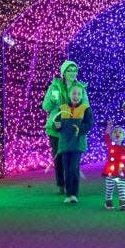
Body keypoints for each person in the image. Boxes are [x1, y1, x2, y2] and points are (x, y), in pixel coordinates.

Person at [42, 61, 88, 194]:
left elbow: (86, 106)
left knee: (71, 158)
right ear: (63, 73)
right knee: (59, 158)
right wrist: (51, 101)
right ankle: (61, 184)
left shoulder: (80, 88)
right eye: (69, 70)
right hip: (56, 128)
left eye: (74, 70)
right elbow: (45, 107)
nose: (72, 72)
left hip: (72, 128)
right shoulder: (54, 87)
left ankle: (71, 185)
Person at [53, 86, 93, 203]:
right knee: (66, 169)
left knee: (74, 168)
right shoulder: (62, 108)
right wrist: (57, 126)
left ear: (82, 96)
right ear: (69, 95)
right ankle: (68, 194)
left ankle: (73, 194)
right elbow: (56, 124)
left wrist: (80, 129)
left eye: (78, 94)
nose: (76, 96)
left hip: (77, 144)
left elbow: (89, 124)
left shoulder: (85, 109)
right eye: (74, 94)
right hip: (65, 145)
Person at [101, 120, 125, 211]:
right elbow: (106, 137)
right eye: (115, 132)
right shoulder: (110, 145)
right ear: (112, 136)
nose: (117, 133)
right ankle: (108, 201)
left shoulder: (124, 148)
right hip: (110, 171)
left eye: (120, 132)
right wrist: (109, 127)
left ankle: (123, 203)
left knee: (122, 187)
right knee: (109, 188)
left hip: (120, 171)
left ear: (123, 136)